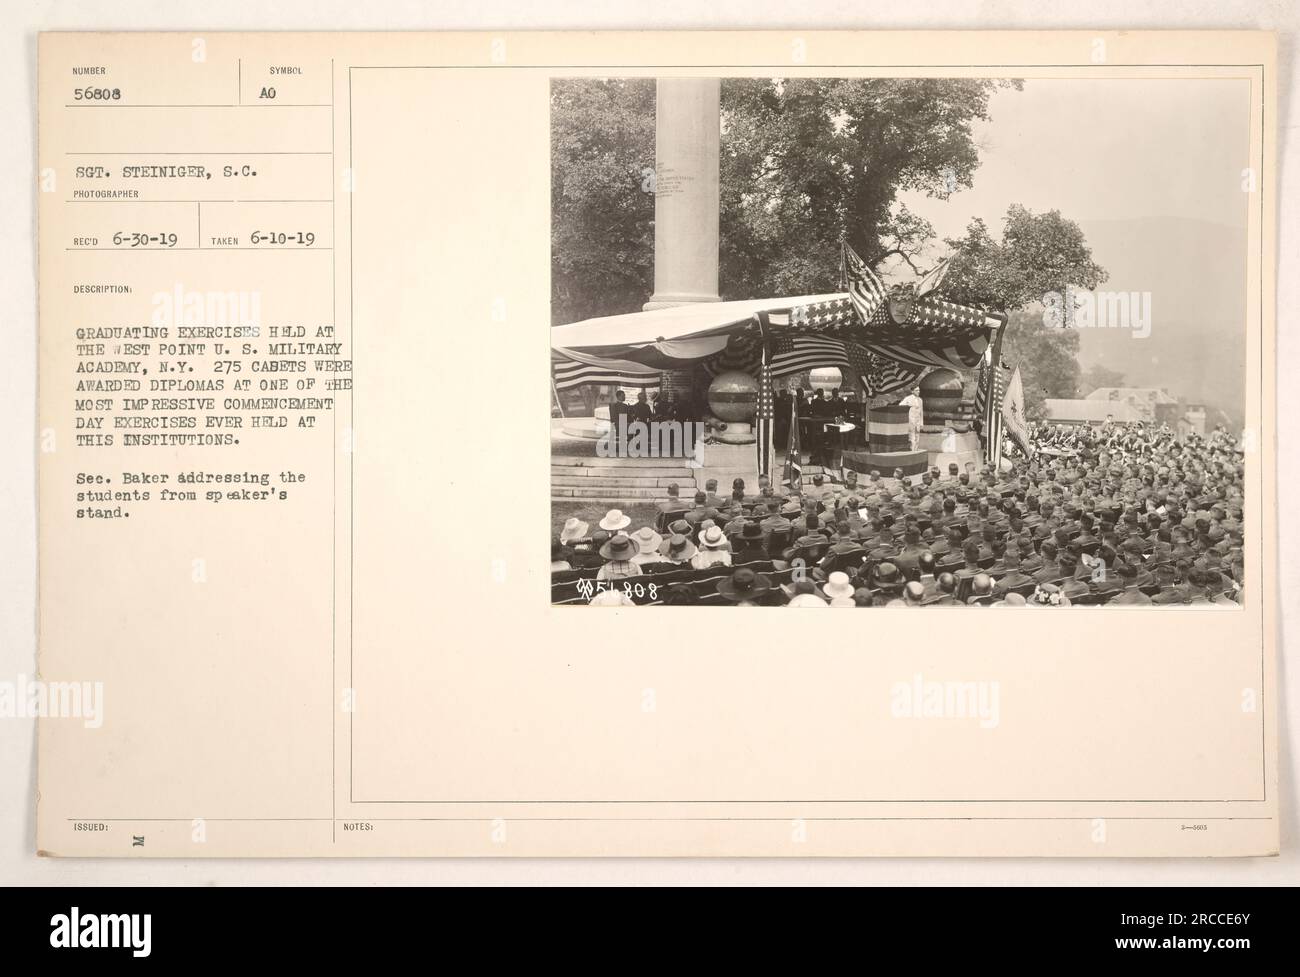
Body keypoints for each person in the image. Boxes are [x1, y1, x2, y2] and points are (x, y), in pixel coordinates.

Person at [900, 385, 924, 450]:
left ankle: (916, 450)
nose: (918, 392)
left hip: (918, 420)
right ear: (912, 391)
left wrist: (922, 422)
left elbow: (921, 411)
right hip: (911, 420)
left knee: (917, 436)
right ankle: (912, 451)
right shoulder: (908, 398)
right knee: (912, 436)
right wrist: (908, 405)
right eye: (916, 390)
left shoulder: (920, 400)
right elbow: (900, 405)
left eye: (919, 390)